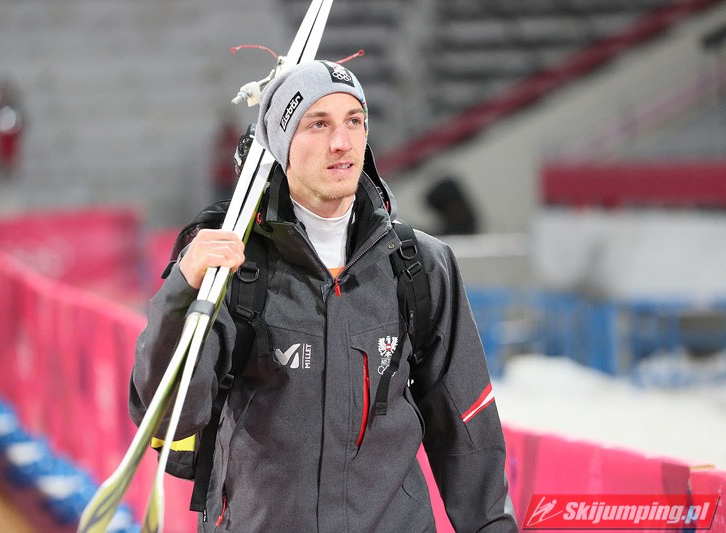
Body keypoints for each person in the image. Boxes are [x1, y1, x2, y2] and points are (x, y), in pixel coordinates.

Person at [129, 60, 517, 532]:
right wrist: (183, 291)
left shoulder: (419, 265)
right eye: (318, 124)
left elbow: (467, 428)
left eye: (354, 121)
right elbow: (170, 417)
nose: (342, 142)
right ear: (282, 144)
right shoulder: (230, 267)